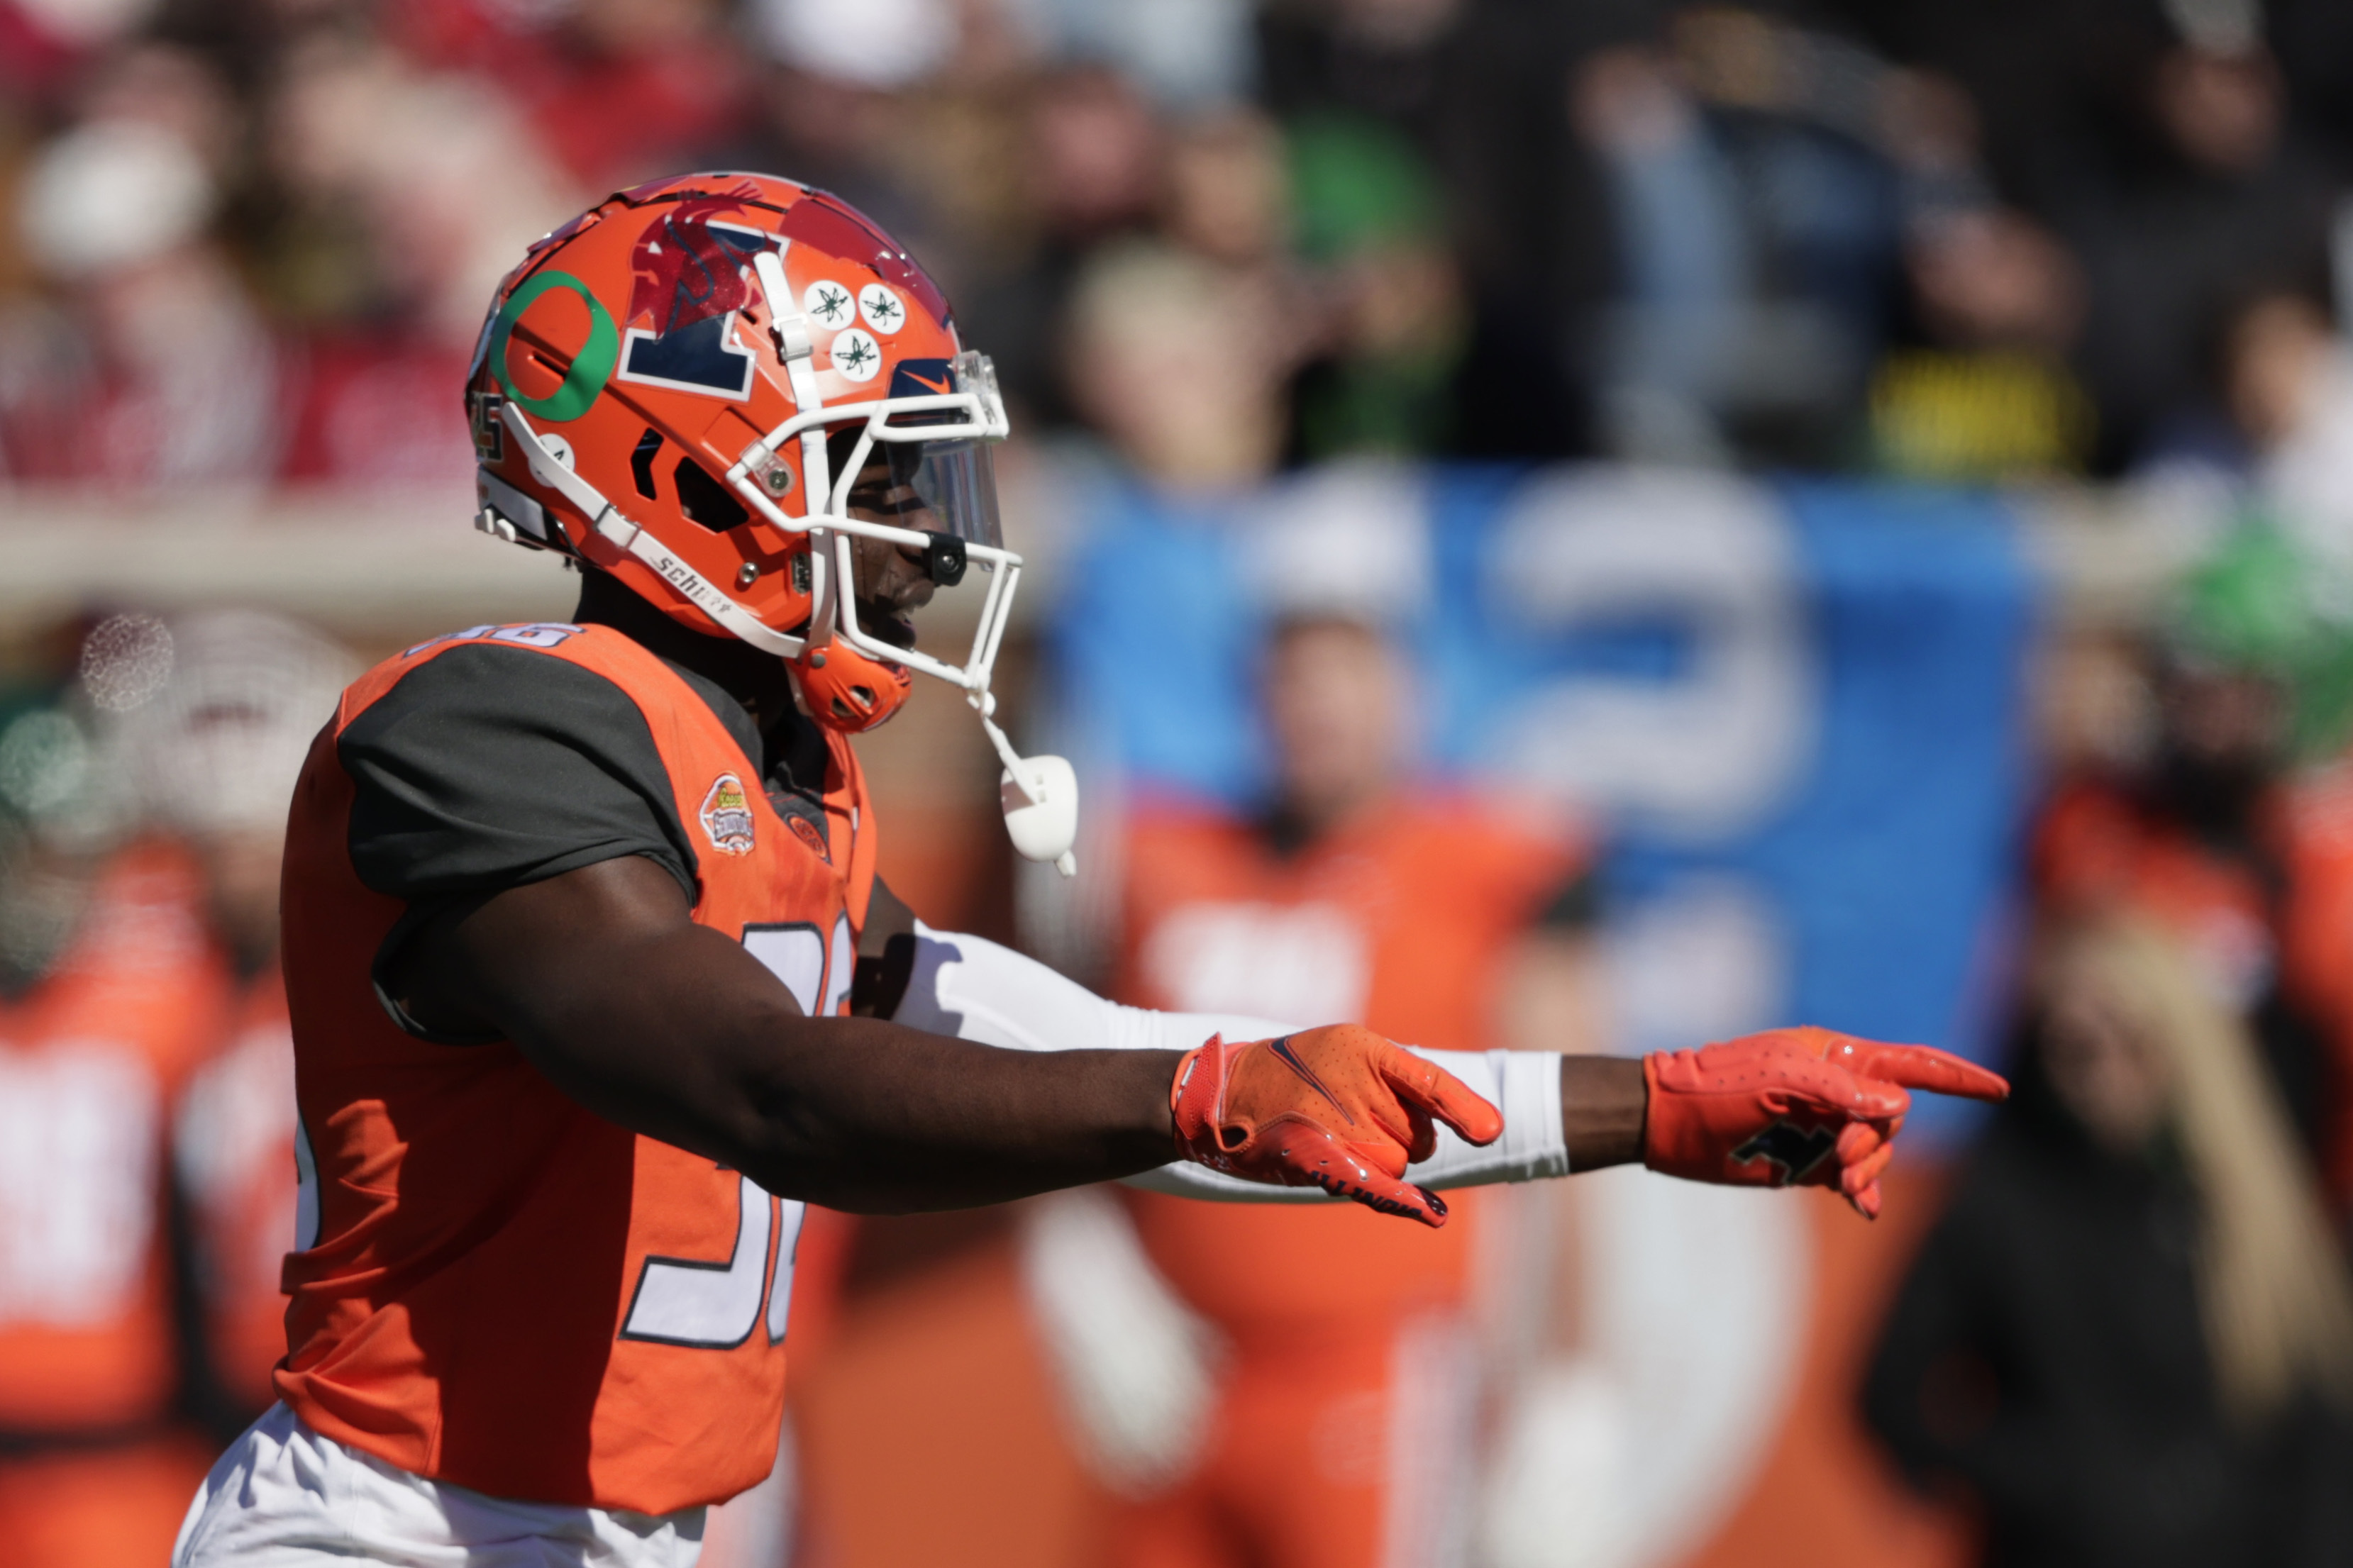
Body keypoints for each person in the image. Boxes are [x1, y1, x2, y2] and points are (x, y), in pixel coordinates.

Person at [166, 171, 2004, 1567]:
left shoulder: (774, 773)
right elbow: (762, 1082)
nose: (915, 533)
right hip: (388, 1532)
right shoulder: (488, 729)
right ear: (684, 472)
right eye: (869, 470)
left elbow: (1136, 1055)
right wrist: (1196, 1091)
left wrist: (1636, 1108)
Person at [1085, 610, 1602, 1568]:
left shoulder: (1480, 866)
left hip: (1374, 1365)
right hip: (1182, 1362)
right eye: (1295, 679)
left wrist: (1566, 1377)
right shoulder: (1163, 861)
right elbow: (1070, 1070)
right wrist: (1086, 1274)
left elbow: (1561, 1135)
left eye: (1346, 676)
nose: (1317, 707)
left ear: (1410, 695)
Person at [1865, 913, 2353, 1566]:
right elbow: (1886, 1392)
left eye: (2130, 1039)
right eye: (2073, 1046)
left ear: (2182, 1044)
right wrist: (2044, 1477)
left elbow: (2317, 1436)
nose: (2102, 1071)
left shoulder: (2250, 1205)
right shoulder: (2005, 1202)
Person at [0, 679, 226, 1568]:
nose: (48, 885)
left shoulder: (166, 984)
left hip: (124, 1449)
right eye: (32, 853)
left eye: (71, 855)